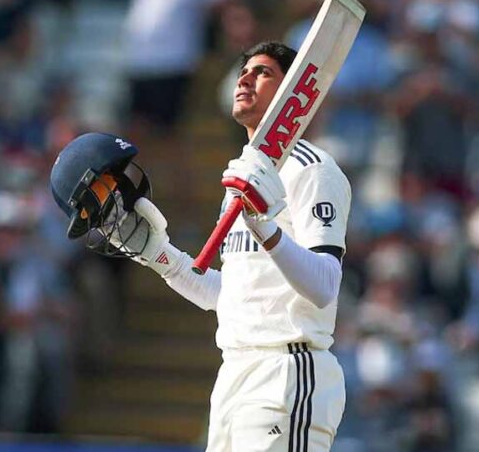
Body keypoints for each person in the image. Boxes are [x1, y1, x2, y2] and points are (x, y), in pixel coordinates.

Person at [116, 41, 352, 451]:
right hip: (234, 374)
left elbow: (325, 286)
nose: (245, 79)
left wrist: (263, 224)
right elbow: (232, 296)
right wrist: (158, 255)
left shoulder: (312, 169)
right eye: (243, 71)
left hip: (287, 368)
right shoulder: (242, 175)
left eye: (263, 72)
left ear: (293, 92)